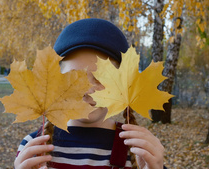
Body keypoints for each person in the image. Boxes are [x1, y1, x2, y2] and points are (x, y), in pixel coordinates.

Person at [14, 18, 165, 169]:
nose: (88, 91)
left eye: (101, 78)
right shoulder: (33, 149)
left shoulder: (138, 151)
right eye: (73, 79)